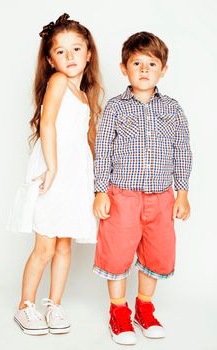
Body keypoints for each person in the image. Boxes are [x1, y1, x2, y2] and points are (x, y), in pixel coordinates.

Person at [93, 31, 192, 345]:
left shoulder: (173, 108)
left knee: (157, 254)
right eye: (137, 63)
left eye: (152, 63)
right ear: (124, 68)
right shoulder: (115, 108)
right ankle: (118, 312)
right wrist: (100, 191)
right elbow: (103, 150)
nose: (145, 69)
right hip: (122, 196)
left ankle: (144, 309)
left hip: (162, 198)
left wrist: (183, 192)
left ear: (163, 69)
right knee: (117, 254)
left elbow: (182, 149)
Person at [7, 13, 102, 335]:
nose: (70, 56)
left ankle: (54, 303)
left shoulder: (85, 95)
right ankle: (25, 306)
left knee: (64, 245)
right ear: (50, 60)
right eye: (61, 51)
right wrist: (52, 167)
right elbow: (48, 124)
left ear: (89, 53)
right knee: (45, 246)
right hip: (55, 169)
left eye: (76, 49)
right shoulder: (58, 82)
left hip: (76, 175)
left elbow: (84, 139)